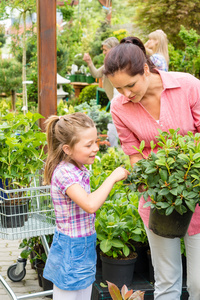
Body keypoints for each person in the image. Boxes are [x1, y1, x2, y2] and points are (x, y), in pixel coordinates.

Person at [103, 36, 200, 299]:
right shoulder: (119, 107)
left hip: (196, 195)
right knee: (166, 282)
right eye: (118, 88)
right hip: (157, 201)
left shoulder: (188, 86)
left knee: (199, 283)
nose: (126, 94)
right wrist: (150, 185)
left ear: (146, 69)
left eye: (130, 86)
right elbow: (134, 154)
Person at [42, 112, 129, 300]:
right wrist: (112, 177)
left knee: (83, 294)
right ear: (67, 148)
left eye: (96, 142)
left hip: (84, 243)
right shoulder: (65, 174)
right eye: (88, 145)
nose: (96, 148)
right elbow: (90, 205)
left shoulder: (78, 167)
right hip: (71, 247)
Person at [83, 37, 120, 147]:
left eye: (105, 50)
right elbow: (97, 74)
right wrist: (89, 62)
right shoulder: (108, 62)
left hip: (119, 98)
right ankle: (115, 149)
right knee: (114, 125)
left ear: (113, 49)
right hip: (114, 98)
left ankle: (115, 149)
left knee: (115, 125)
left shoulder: (119, 62)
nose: (103, 52)